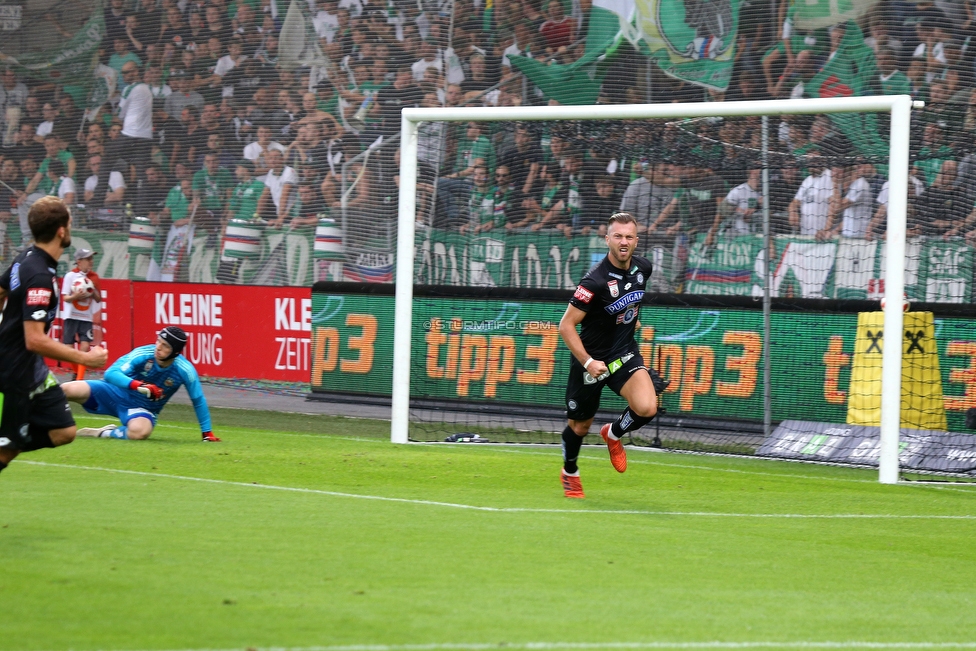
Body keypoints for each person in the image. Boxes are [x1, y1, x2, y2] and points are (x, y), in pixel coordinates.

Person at [557, 211, 667, 498]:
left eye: (629, 236)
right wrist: (588, 361)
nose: (623, 241)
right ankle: (570, 471)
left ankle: (614, 434)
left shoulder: (644, 268)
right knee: (580, 426)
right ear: (607, 239)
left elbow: (630, 300)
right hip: (592, 360)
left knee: (647, 407)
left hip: (625, 354)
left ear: (636, 241)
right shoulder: (593, 281)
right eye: (617, 235)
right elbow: (566, 326)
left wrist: (630, 317)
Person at [0, 197, 108, 475]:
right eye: (70, 222)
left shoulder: (27, 259)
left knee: (64, 430)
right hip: (17, 371)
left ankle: (12, 442)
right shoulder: (38, 275)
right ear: (61, 231)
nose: (71, 227)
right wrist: (86, 358)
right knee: (6, 450)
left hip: (31, 367)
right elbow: (34, 339)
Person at [61, 326, 219, 442]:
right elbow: (110, 374)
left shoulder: (185, 370)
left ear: (175, 352)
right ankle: (40, 421)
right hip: (113, 392)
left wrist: (207, 432)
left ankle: (103, 433)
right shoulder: (144, 353)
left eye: (165, 346)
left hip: (143, 410)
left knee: (140, 432)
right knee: (66, 389)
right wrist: (138, 385)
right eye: (158, 341)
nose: (158, 347)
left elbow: (198, 400)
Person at [60, 248, 102, 381]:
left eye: (91, 258)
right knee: (69, 348)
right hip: (71, 315)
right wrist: (76, 295)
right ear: (78, 261)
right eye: (87, 259)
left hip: (86, 317)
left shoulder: (94, 277)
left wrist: (91, 289)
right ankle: (76, 372)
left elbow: (98, 299)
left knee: (85, 345)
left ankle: (79, 379)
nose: (91, 261)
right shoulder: (70, 276)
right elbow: (65, 298)